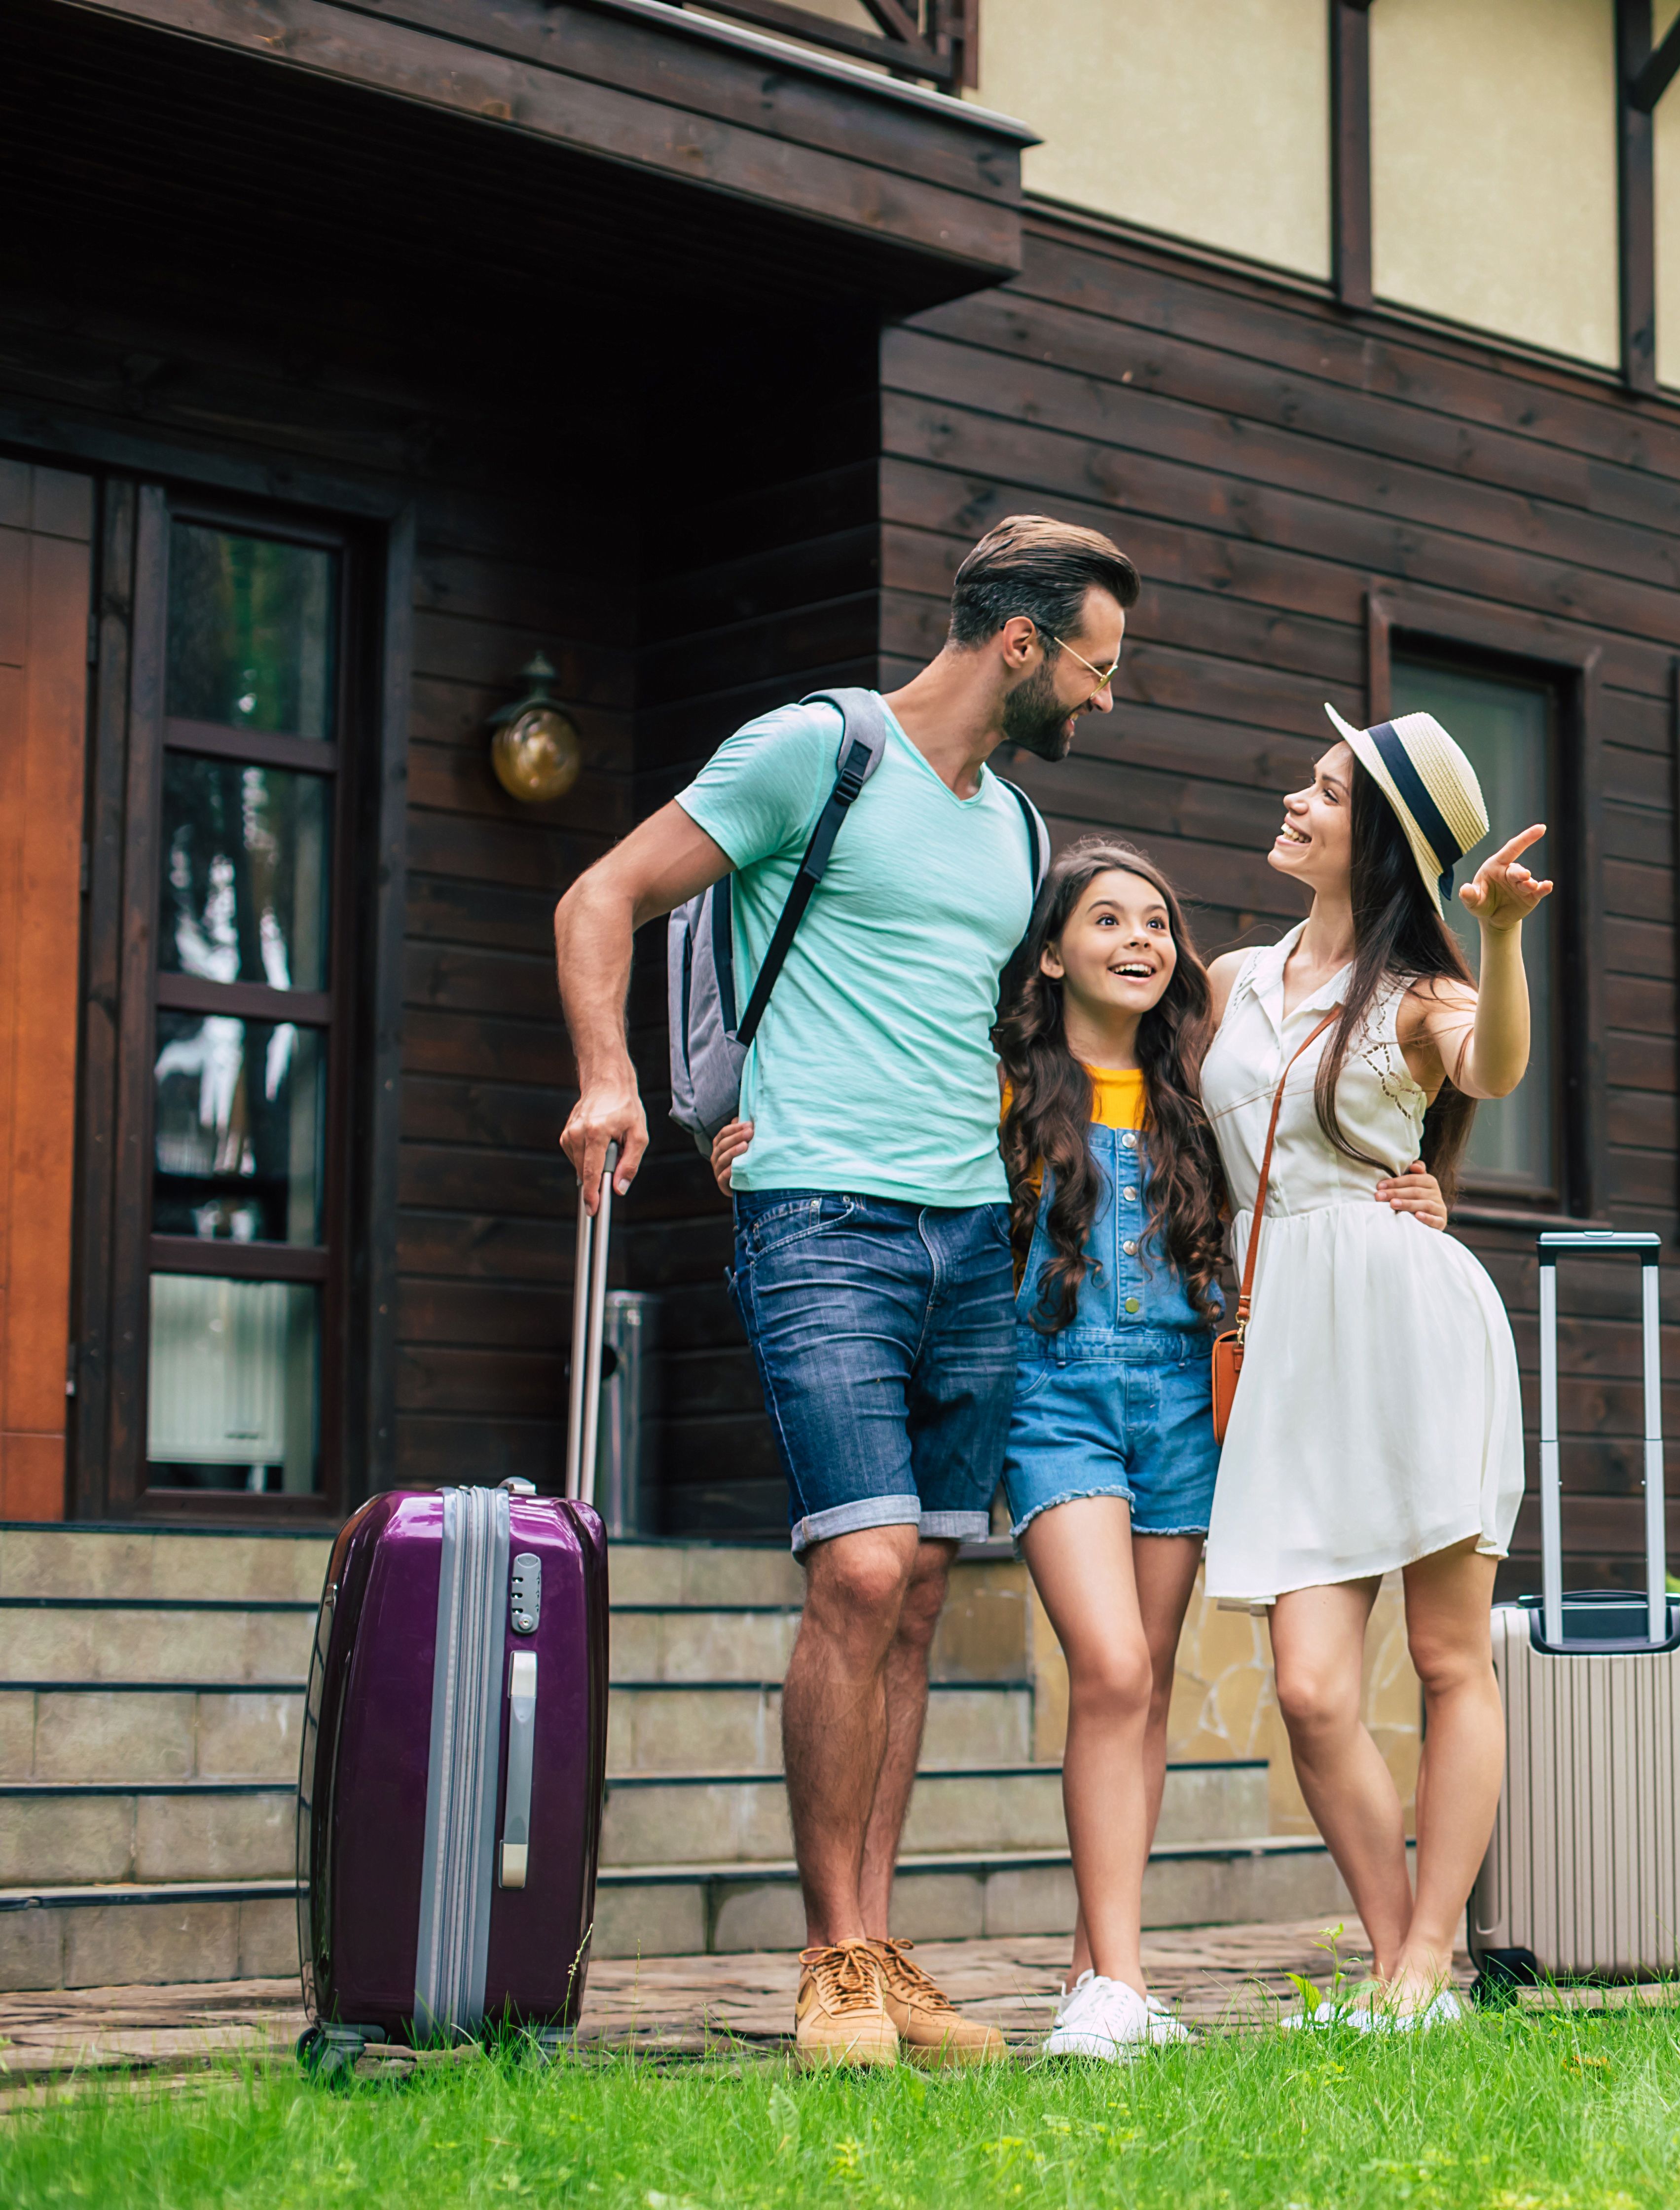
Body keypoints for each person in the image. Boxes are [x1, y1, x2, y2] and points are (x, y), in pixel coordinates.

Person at [553, 515, 1136, 2070]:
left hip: (973, 1235)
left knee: (931, 1585)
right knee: (863, 1571)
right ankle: (828, 1960)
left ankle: (879, 1952)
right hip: (821, 1216)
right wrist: (614, 1081)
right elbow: (600, 896)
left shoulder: (1015, 833)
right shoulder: (819, 752)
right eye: (1095, 665)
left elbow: (986, 1031)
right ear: (1021, 646)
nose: (1101, 699)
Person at [714, 838, 1451, 2059]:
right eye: (1108, 919)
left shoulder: (1198, 1089)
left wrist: (1426, 1188)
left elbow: (1331, 1145)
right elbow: (875, 1124)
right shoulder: (997, 1082)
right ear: (1051, 952)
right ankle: (1108, 1978)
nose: (1141, 940)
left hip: (1179, 1398)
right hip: (1051, 1401)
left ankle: (1105, 1974)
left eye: (1159, 922)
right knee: (1108, 1667)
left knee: (1148, 1678)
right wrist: (758, 1135)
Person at [1200, 703, 1551, 2025]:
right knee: (1309, 1687)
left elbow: (1498, 1072)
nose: (1297, 800)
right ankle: (1400, 1951)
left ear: (1383, 845)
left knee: (1451, 1656)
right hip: (1284, 1332)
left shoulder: (1427, 999)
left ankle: (1417, 1969)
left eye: (1329, 791)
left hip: (1407, 1319)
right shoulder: (1232, 980)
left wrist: (1505, 936)